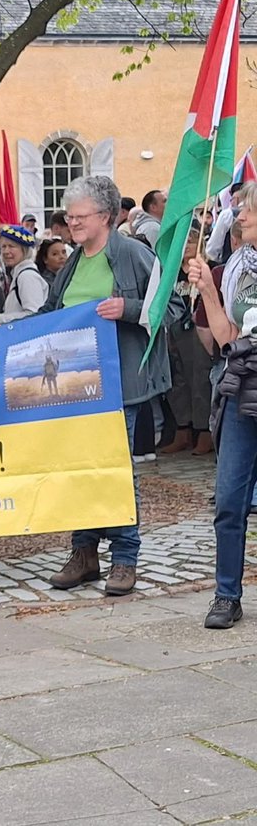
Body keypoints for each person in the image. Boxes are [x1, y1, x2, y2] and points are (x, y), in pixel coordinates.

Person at [0, 175, 178, 597]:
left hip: (121, 383)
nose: (71, 223)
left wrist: (129, 308)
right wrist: (2, 328)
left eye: (80, 216)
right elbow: (50, 315)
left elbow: (173, 306)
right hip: (77, 387)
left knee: (116, 470)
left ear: (106, 216)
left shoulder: (131, 254)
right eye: (69, 216)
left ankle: (125, 558)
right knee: (79, 468)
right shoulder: (72, 262)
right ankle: (85, 552)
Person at [187, 182, 257, 628]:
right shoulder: (238, 265)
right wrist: (208, 291)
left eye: (248, 208)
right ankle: (226, 595)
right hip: (244, 384)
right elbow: (228, 337)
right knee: (230, 497)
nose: (239, 215)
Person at [161, 236, 214, 455]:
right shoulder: (173, 271)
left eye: (191, 244)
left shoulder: (204, 268)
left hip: (196, 328)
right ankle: (183, 428)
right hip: (173, 325)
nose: (186, 249)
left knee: (199, 378)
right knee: (177, 377)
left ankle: (203, 431)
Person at [0, 225, 47, 322]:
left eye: (11, 246)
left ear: (24, 250)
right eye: (3, 246)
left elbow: (34, 315)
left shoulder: (27, 276)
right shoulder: (19, 274)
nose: (6, 251)